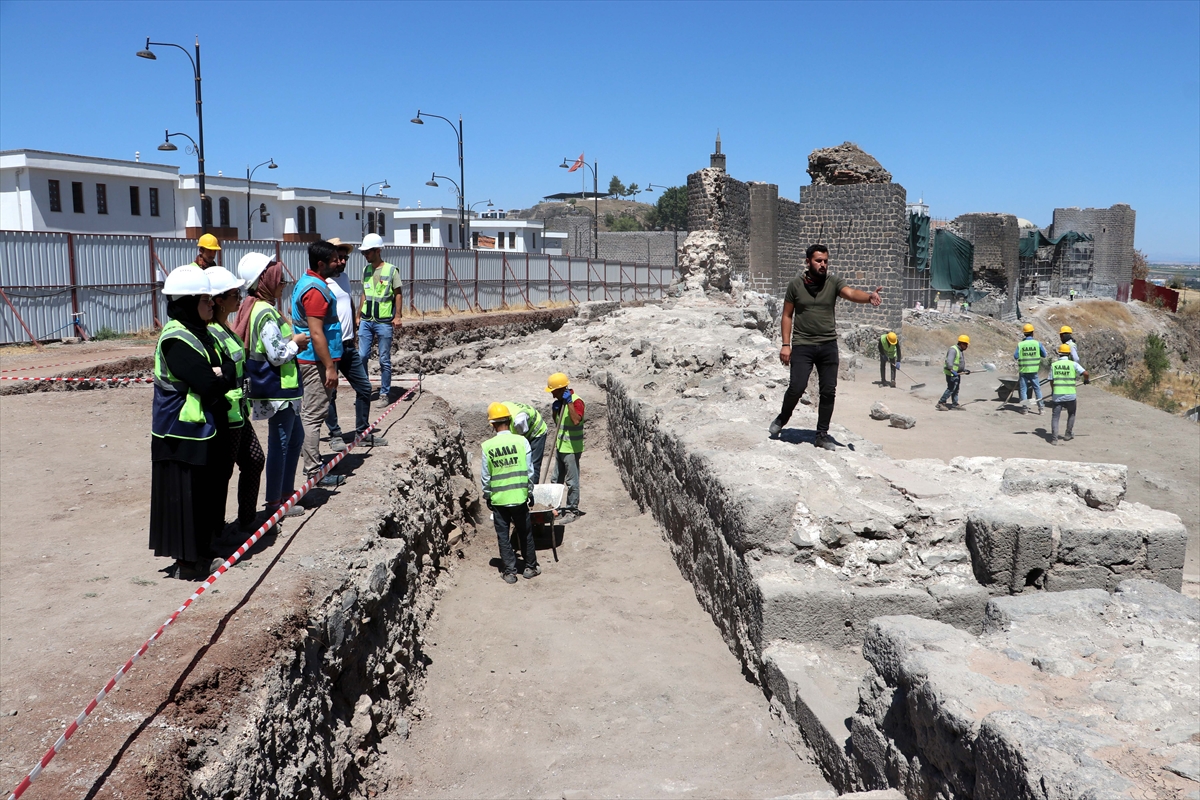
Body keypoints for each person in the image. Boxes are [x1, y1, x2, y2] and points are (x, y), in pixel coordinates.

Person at [148, 265, 235, 580]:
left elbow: (228, 367)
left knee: (205, 494)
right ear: (187, 303)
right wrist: (220, 375)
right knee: (187, 497)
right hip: (180, 434)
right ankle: (189, 562)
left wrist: (221, 373)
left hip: (199, 430)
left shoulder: (202, 333)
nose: (212, 305)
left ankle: (202, 552)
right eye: (205, 300)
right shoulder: (176, 339)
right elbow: (210, 384)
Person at [768, 244, 883, 448]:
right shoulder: (795, 285)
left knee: (828, 391)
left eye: (825, 261)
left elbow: (850, 292)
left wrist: (868, 297)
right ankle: (782, 419)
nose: (823, 265)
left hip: (828, 345)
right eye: (818, 261)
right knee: (797, 387)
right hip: (803, 344)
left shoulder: (833, 282)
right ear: (808, 262)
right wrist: (786, 344)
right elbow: (787, 315)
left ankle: (822, 435)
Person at [234, 252, 309, 519]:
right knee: (282, 442)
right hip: (277, 389)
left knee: (295, 438)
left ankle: (285, 495)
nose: (282, 283)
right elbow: (277, 354)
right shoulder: (264, 311)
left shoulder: (256, 307)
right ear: (264, 279)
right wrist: (297, 342)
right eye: (278, 278)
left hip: (280, 389)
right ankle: (276, 502)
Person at [206, 267, 267, 537]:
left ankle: (246, 521)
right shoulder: (210, 334)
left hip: (239, 413)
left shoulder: (226, 328)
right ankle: (215, 532)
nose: (240, 298)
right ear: (219, 300)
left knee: (254, 460)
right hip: (227, 417)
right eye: (235, 293)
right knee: (221, 476)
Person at [292, 240, 347, 489]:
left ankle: (314, 467)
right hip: (315, 362)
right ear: (321, 263)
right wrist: (329, 367)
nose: (340, 262)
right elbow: (316, 333)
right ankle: (314, 473)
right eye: (335, 259)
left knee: (313, 413)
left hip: (315, 359)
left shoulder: (312, 283)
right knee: (313, 415)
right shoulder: (314, 290)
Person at [323, 239, 386, 451]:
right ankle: (335, 434)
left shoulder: (345, 279)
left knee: (365, 387)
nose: (342, 261)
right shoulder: (320, 283)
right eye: (338, 258)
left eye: (345, 258)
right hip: (331, 347)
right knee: (330, 393)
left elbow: (347, 303)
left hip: (348, 346)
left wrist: (354, 325)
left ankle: (362, 432)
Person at [481, 402, 538, 584]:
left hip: (499, 500)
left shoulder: (487, 446)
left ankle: (510, 572)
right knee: (525, 533)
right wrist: (529, 492)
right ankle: (530, 567)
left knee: (503, 536)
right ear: (510, 420)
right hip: (519, 497)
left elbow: (485, 476)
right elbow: (530, 471)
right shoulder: (522, 441)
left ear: (492, 425)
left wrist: (488, 495)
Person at [357, 233, 403, 406]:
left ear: (377, 251)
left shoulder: (391, 270)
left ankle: (384, 394)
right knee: (361, 356)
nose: (365, 255)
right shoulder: (366, 270)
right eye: (363, 253)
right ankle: (363, 390)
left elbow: (398, 294)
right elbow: (364, 294)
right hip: (367, 320)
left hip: (384, 321)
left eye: (367, 252)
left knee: (384, 359)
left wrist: (398, 316)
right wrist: (358, 315)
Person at [546, 372, 584, 517]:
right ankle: (554, 508)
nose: (553, 395)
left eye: (554, 392)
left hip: (572, 449)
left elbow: (575, 421)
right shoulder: (560, 402)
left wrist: (568, 403)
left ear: (562, 389)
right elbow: (559, 424)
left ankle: (572, 510)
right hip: (561, 446)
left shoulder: (576, 401)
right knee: (556, 480)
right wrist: (554, 412)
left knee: (572, 481)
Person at [1048, 343, 1089, 445]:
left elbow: (1051, 380)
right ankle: (1068, 434)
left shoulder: (1054, 365)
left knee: (1055, 417)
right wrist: (1086, 380)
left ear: (1059, 354)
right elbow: (1086, 373)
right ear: (1068, 354)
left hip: (1057, 395)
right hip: (1070, 395)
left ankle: (1054, 439)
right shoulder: (1073, 364)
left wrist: (1054, 390)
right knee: (1071, 414)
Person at [502, 400, 549, 481]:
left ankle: (533, 489)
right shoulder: (502, 408)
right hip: (524, 427)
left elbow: (521, 440)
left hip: (537, 431)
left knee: (533, 466)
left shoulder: (519, 421)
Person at [1014, 323, 1048, 414]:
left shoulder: (1020, 344)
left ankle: (1025, 409)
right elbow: (1044, 355)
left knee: (1023, 390)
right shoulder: (1037, 344)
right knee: (1037, 389)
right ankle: (1041, 409)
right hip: (1034, 371)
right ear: (1032, 333)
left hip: (1024, 370)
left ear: (1024, 333)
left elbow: (1016, 356)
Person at [936, 335, 971, 411]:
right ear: (961, 343)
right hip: (951, 373)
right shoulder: (953, 350)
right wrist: (952, 370)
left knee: (956, 389)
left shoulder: (959, 350)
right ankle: (941, 403)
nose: (967, 346)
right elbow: (949, 361)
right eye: (966, 345)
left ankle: (955, 404)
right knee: (951, 388)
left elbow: (957, 363)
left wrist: (964, 370)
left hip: (956, 373)